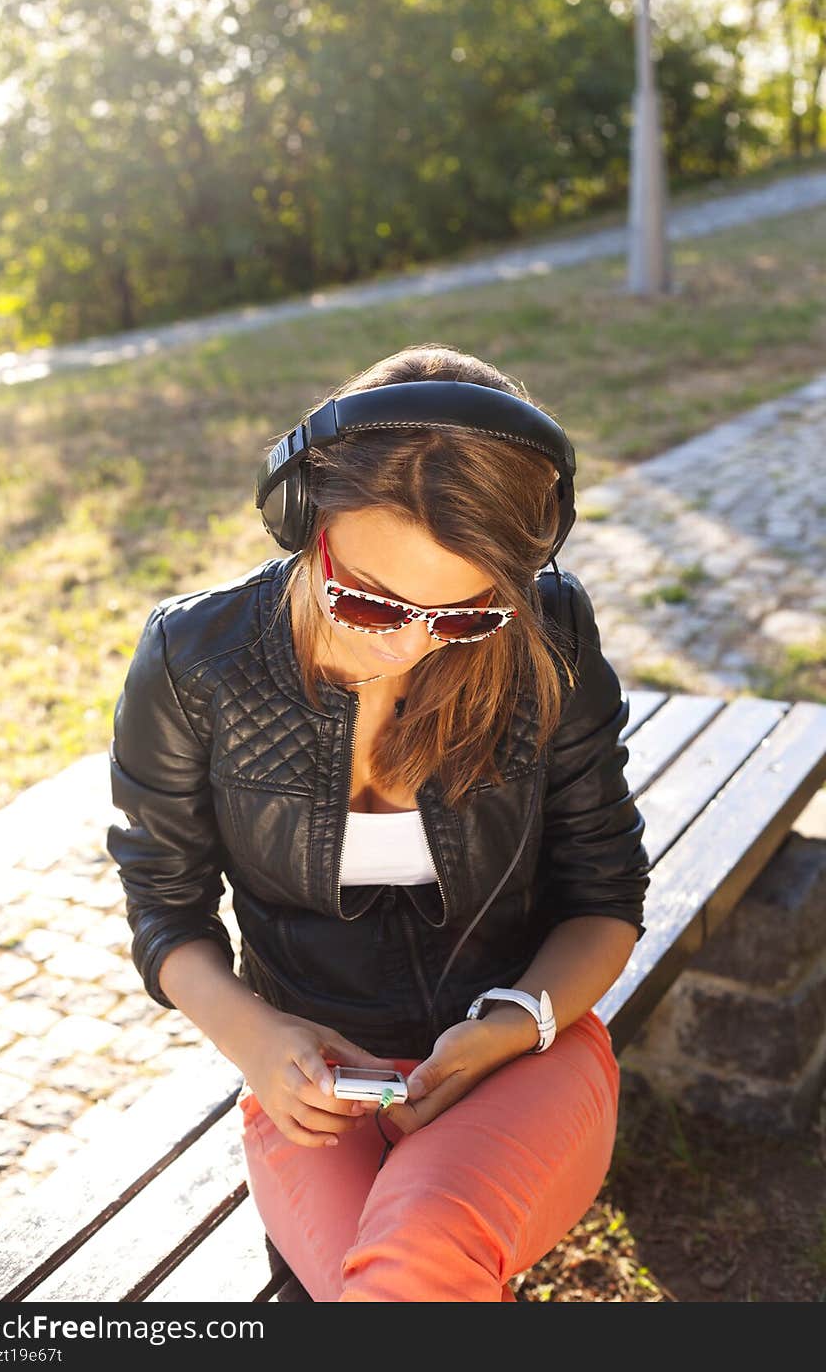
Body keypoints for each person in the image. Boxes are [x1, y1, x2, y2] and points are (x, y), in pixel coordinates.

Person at [106, 343, 650, 1303]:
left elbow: (606, 898)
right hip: (312, 1089)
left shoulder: (548, 632)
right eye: (367, 598)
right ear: (300, 520)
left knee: (412, 1264)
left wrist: (511, 1024)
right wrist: (259, 1041)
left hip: (525, 1050)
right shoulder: (195, 663)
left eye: (463, 616)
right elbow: (165, 910)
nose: (407, 642)